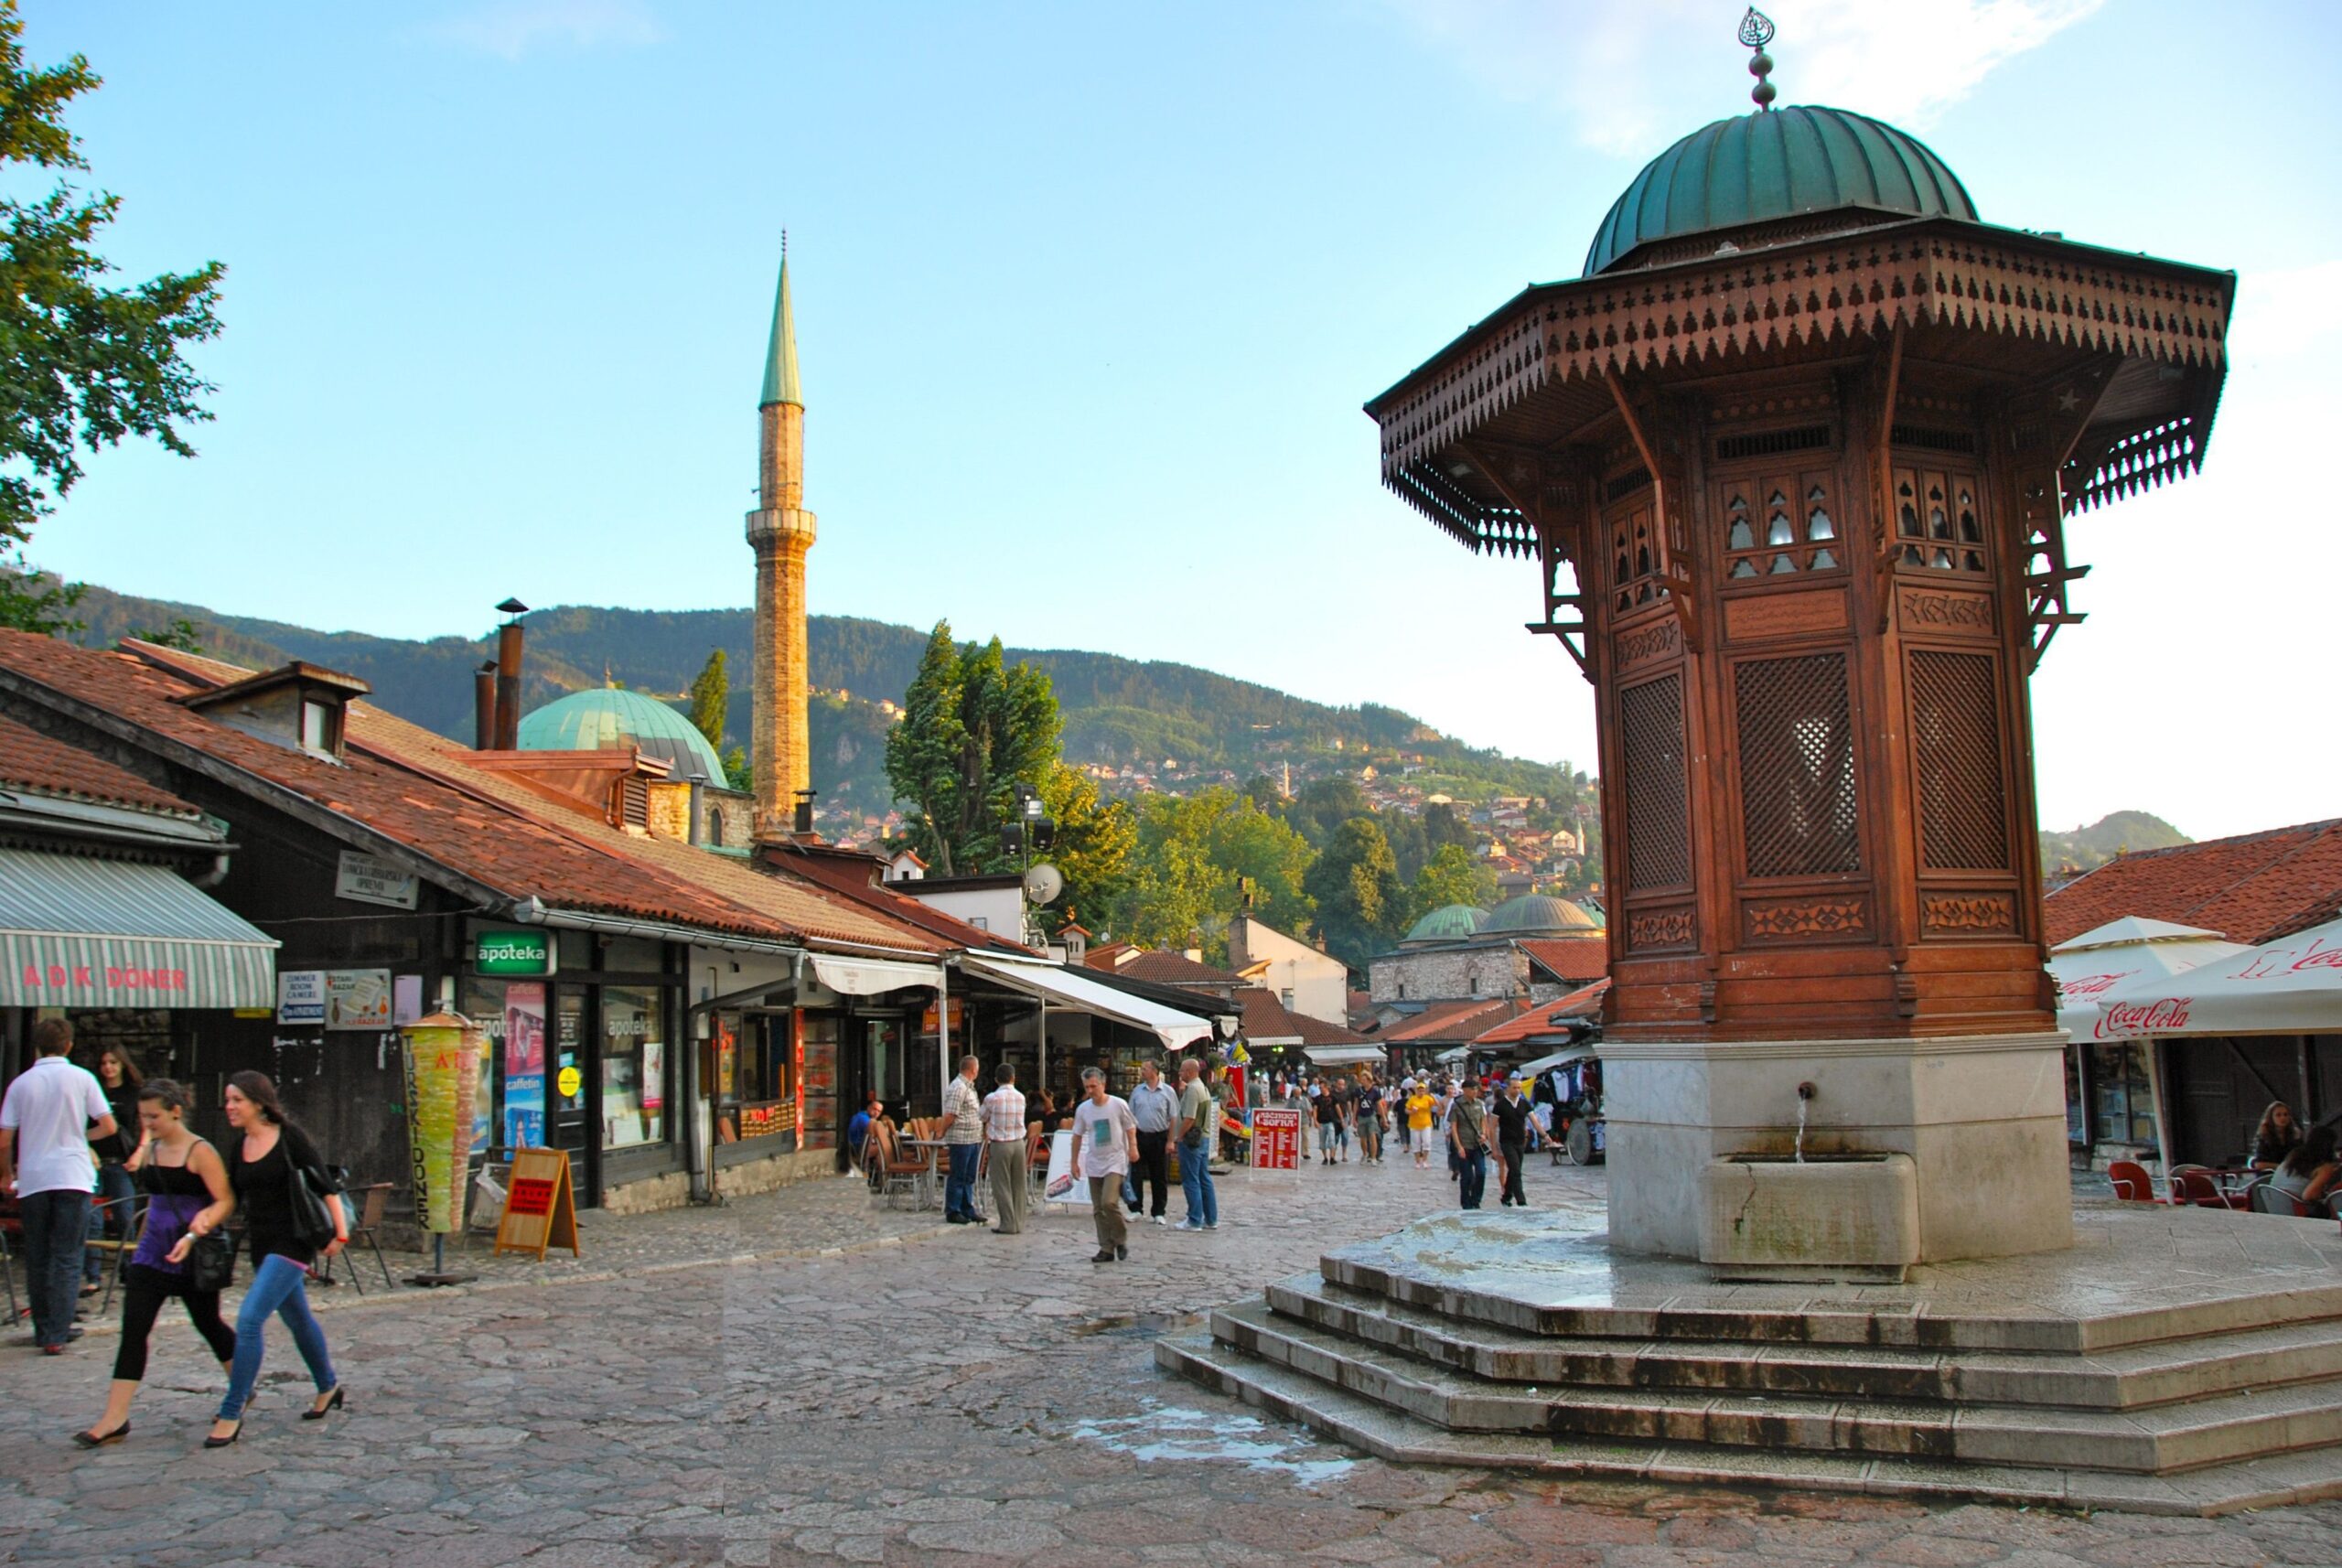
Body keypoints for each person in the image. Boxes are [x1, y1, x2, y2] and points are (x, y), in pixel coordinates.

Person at [73, 1079, 238, 1448]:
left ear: (175, 1112)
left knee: (209, 1323)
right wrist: (136, 1247)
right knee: (134, 1328)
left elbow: (225, 1201)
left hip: (191, 1252)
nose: (147, 1123)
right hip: (152, 1252)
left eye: (154, 1116)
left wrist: (199, 1228)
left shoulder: (200, 1151)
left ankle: (241, 1386)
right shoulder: (150, 1150)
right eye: (143, 1116)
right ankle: (115, 1416)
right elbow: (153, 1201)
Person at [209, 1070, 347, 1447]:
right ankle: (328, 1386)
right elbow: (231, 1198)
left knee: (250, 1319)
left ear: (258, 1103)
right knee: (297, 1318)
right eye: (228, 1100)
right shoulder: (239, 1148)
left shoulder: (289, 1138)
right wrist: (200, 1224)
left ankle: (232, 1410)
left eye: (237, 1100)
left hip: (294, 1242)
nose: (230, 1107)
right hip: (261, 1245)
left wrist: (340, 1232)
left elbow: (325, 1185)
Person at [0, 1017, 117, 1354]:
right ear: (68, 1045)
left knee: (38, 1255)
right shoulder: (82, 1078)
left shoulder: (21, 1084)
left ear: (37, 1045)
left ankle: (43, 1327)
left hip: (35, 1177)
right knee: (68, 1255)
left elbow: (5, 1138)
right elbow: (108, 1126)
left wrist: (6, 1173)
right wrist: (80, 1137)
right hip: (73, 1175)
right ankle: (58, 1331)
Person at [81, 1046, 145, 1296]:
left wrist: (140, 1152)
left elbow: (145, 1126)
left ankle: (129, 1270)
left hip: (120, 1160)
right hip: (93, 1160)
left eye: (113, 1063)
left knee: (125, 1215)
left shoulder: (134, 1093)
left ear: (122, 1065)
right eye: (104, 1063)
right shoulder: (92, 1090)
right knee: (92, 1218)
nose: (108, 1068)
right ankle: (93, 1277)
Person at [1071, 1067, 1138, 1262]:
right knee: (1098, 1207)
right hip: (1094, 1161)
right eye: (1087, 1087)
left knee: (1109, 1202)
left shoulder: (1118, 1104)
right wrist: (1074, 1162)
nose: (1091, 1090)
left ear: (1103, 1084)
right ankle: (1106, 1247)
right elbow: (1077, 1135)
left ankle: (1120, 1238)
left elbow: (1130, 1126)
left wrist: (1133, 1147)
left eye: (1094, 1086)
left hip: (1115, 1160)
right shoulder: (1083, 1109)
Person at [1126, 1058, 1178, 1226]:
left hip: (1159, 1136)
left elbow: (1173, 1118)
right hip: (1140, 1136)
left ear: (1155, 1071)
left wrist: (1171, 1141)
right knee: (1135, 1174)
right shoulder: (1137, 1091)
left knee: (1159, 1176)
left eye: (1145, 1069)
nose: (1142, 1071)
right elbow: (1130, 1117)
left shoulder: (1168, 1091)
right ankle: (1135, 1209)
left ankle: (1158, 1211)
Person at [981, 1063, 1029, 1235]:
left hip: (1000, 1143)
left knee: (1001, 1183)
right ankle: (1019, 1221)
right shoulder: (1021, 1097)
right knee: (1018, 1183)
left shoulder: (992, 1098)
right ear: (1013, 1077)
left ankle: (1007, 1222)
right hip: (1018, 1142)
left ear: (996, 1079)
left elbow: (982, 1116)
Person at [1172, 1058, 1219, 1230]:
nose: (1180, 1074)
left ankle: (1194, 1219)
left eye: (1182, 1071)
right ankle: (1211, 1218)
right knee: (1204, 1178)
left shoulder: (1193, 1090)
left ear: (1191, 1072)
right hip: (1204, 1138)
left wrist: (1179, 1136)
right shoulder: (1203, 1088)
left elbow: (1190, 1117)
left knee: (1191, 1180)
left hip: (1192, 1140)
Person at [939, 1055, 985, 1226]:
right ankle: (953, 1210)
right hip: (961, 1139)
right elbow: (951, 1113)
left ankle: (967, 1208)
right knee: (958, 1175)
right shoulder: (958, 1087)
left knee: (969, 1176)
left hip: (972, 1138)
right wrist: (942, 1131)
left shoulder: (969, 1087)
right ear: (973, 1069)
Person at [2270, 1125, 2340, 1217]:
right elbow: (2308, 1196)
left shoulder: (2292, 1156)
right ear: (2329, 1147)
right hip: (2300, 1213)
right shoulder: (2325, 1168)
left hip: (2274, 1208)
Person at [1448, 1077, 1490, 1210]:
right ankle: (1466, 1203)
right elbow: (1453, 1127)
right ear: (1465, 1090)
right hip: (1464, 1144)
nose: (1475, 1091)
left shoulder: (1479, 1104)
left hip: (1477, 1144)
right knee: (1466, 1176)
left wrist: (1484, 1134)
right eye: (1472, 1089)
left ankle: (1476, 1199)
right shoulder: (1457, 1105)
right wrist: (1458, 1146)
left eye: (1476, 1089)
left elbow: (1483, 1121)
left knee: (1481, 1172)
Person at [1491, 1076, 1533, 1208]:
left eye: (1519, 1088)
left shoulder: (1524, 1104)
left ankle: (1506, 1196)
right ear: (1508, 1088)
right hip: (1506, 1142)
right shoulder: (1500, 1105)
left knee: (1514, 1170)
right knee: (1515, 1170)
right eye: (1514, 1087)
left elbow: (1534, 1120)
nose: (1517, 1090)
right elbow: (1492, 1127)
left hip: (1520, 1141)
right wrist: (1493, 1147)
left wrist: (1544, 1134)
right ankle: (1521, 1201)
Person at [2251, 1102, 2304, 1171]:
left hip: (2291, 1173)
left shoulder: (2295, 1135)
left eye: (2286, 1114)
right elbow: (2259, 1164)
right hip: (2270, 1174)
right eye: (2278, 1115)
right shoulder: (2264, 1136)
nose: (2283, 1118)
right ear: (2271, 1117)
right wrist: (2282, 1167)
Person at [846, 1092, 883, 1174]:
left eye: (879, 1111)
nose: (876, 1113)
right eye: (875, 1109)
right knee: (884, 1148)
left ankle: (876, 1177)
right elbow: (877, 1135)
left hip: (858, 1147)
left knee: (881, 1149)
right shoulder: (865, 1120)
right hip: (858, 1149)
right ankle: (883, 1177)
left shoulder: (861, 1115)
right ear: (869, 1108)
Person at [1405, 1080, 1435, 1168]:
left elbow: (1436, 1105)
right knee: (1416, 1143)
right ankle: (1417, 1161)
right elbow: (1406, 1110)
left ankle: (1425, 1160)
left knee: (1427, 1142)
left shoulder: (1427, 1098)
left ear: (1425, 1091)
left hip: (1426, 1123)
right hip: (1414, 1124)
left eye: (1422, 1090)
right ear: (1416, 1091)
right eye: (1419, 1090)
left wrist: (1433, 1097)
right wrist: (1412, 1111)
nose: (1421, 1092)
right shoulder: (1412, 1099)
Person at [1312, 1078, 1340, 1166]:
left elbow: (1337, 1108)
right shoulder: (1317, 1098)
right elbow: (1315, 1110)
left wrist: (1341, 1119)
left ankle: (1332, 1157)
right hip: (1321, 1122)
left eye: (1322, 1087)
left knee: (1332, 1140)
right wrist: (1315, 1121)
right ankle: (1325, 1157)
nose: (1321, 1089)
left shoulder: (1333, 1097)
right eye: (1320, 1088)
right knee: (1322, 1141)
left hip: (1331, 1121)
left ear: (1326, 1087)